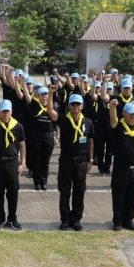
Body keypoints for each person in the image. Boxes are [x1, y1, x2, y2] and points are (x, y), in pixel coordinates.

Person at [47, 90, 93, 231]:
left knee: (80, 191)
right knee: (64, 191)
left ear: (82, 106)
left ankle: (76, 219)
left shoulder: (88, 122)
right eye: (73, 104)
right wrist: (50, 94)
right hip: (66, 160)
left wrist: (91, 159)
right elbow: (50, 111)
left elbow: (91, 141)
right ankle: (65, 219)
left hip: (81, 161)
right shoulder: (64, 120)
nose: (75, 107)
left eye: (78, 104)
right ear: (68, 106)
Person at [0, 95, 26, 231]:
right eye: (3, 110)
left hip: (12, 162)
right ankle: (0, 219)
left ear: (11, 111)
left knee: (13, 192)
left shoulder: (18, 126)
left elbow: (22, 145)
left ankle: (12, 219)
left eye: (7, 110)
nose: (5, 113)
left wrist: (23, 161)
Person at [108, 100, 134, 231]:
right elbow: (113, 120)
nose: (133, 116)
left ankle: (128, 220)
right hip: (121, 168)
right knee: (119, 197)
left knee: (132, 197)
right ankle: (118, 221)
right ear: (124, 113)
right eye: (130, 114)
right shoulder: (119, 126)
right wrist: (113, 107)